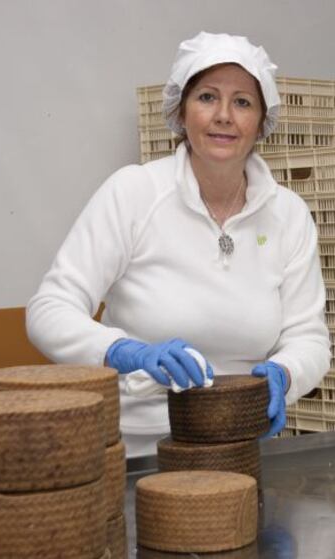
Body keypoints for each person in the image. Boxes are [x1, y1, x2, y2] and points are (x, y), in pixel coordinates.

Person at [26, 31, 331, 458]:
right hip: (134, 453)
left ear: (262, 123)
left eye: (242, 102)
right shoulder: (133, 194)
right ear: (181, 112)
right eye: (207, 97)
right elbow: (48, 309)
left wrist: (285, 372)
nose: (224, 115)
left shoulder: (289, 215)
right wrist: (120, 350)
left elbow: (309, 337)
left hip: (240, 449)